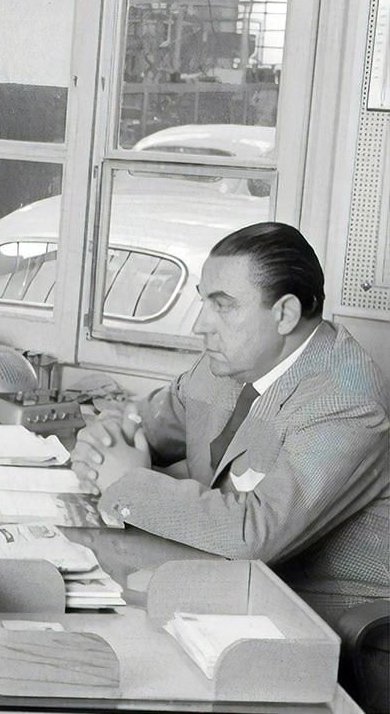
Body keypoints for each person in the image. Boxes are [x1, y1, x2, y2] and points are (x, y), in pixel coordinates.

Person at [73, 222, 388, 625]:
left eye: (222, 306)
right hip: (208, 578)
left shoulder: (348, 403)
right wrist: (103, 441)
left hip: (308, 615)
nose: (200, 325)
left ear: (285, 314)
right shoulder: (233, 360)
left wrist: (126, 481)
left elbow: (254, 535)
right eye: (203, 302)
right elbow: (145, 422)